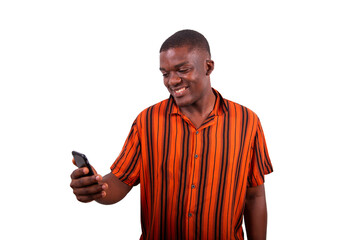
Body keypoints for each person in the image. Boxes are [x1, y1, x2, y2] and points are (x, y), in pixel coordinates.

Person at [70, 29, 273, 240]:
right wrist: (97, 188)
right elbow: (121, 181)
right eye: (165, 74)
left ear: (208, 67)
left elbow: (254, 195)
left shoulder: (247, 122)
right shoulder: (146, 121)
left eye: (182, 70)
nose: (172, 81)